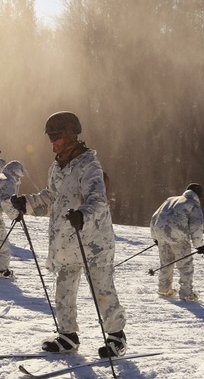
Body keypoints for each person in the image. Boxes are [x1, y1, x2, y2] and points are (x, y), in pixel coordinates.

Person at [11, 111, 127, 358]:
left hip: (93, 241)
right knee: (63, 289)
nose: (53, 142)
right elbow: (51, 195)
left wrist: (83, 214)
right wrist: (27, 202)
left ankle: (116, 336)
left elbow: (97, 198)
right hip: (66, 241)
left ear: (72, 135)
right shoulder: (57, 166)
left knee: (102, 289)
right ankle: (68, 335)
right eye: (51, 137)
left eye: (58, 137)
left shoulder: (89, 165)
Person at [150, 183, 204, 301]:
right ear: (199, 195)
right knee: (185, 264)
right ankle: (186, 294)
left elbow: (155, 216)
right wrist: (199, 245)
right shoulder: (193, 204)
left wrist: (155, 237)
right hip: (178, 235)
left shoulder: (170, 199)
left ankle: (164, 289)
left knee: (166, 261)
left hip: (160, 232)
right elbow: (197, 226)